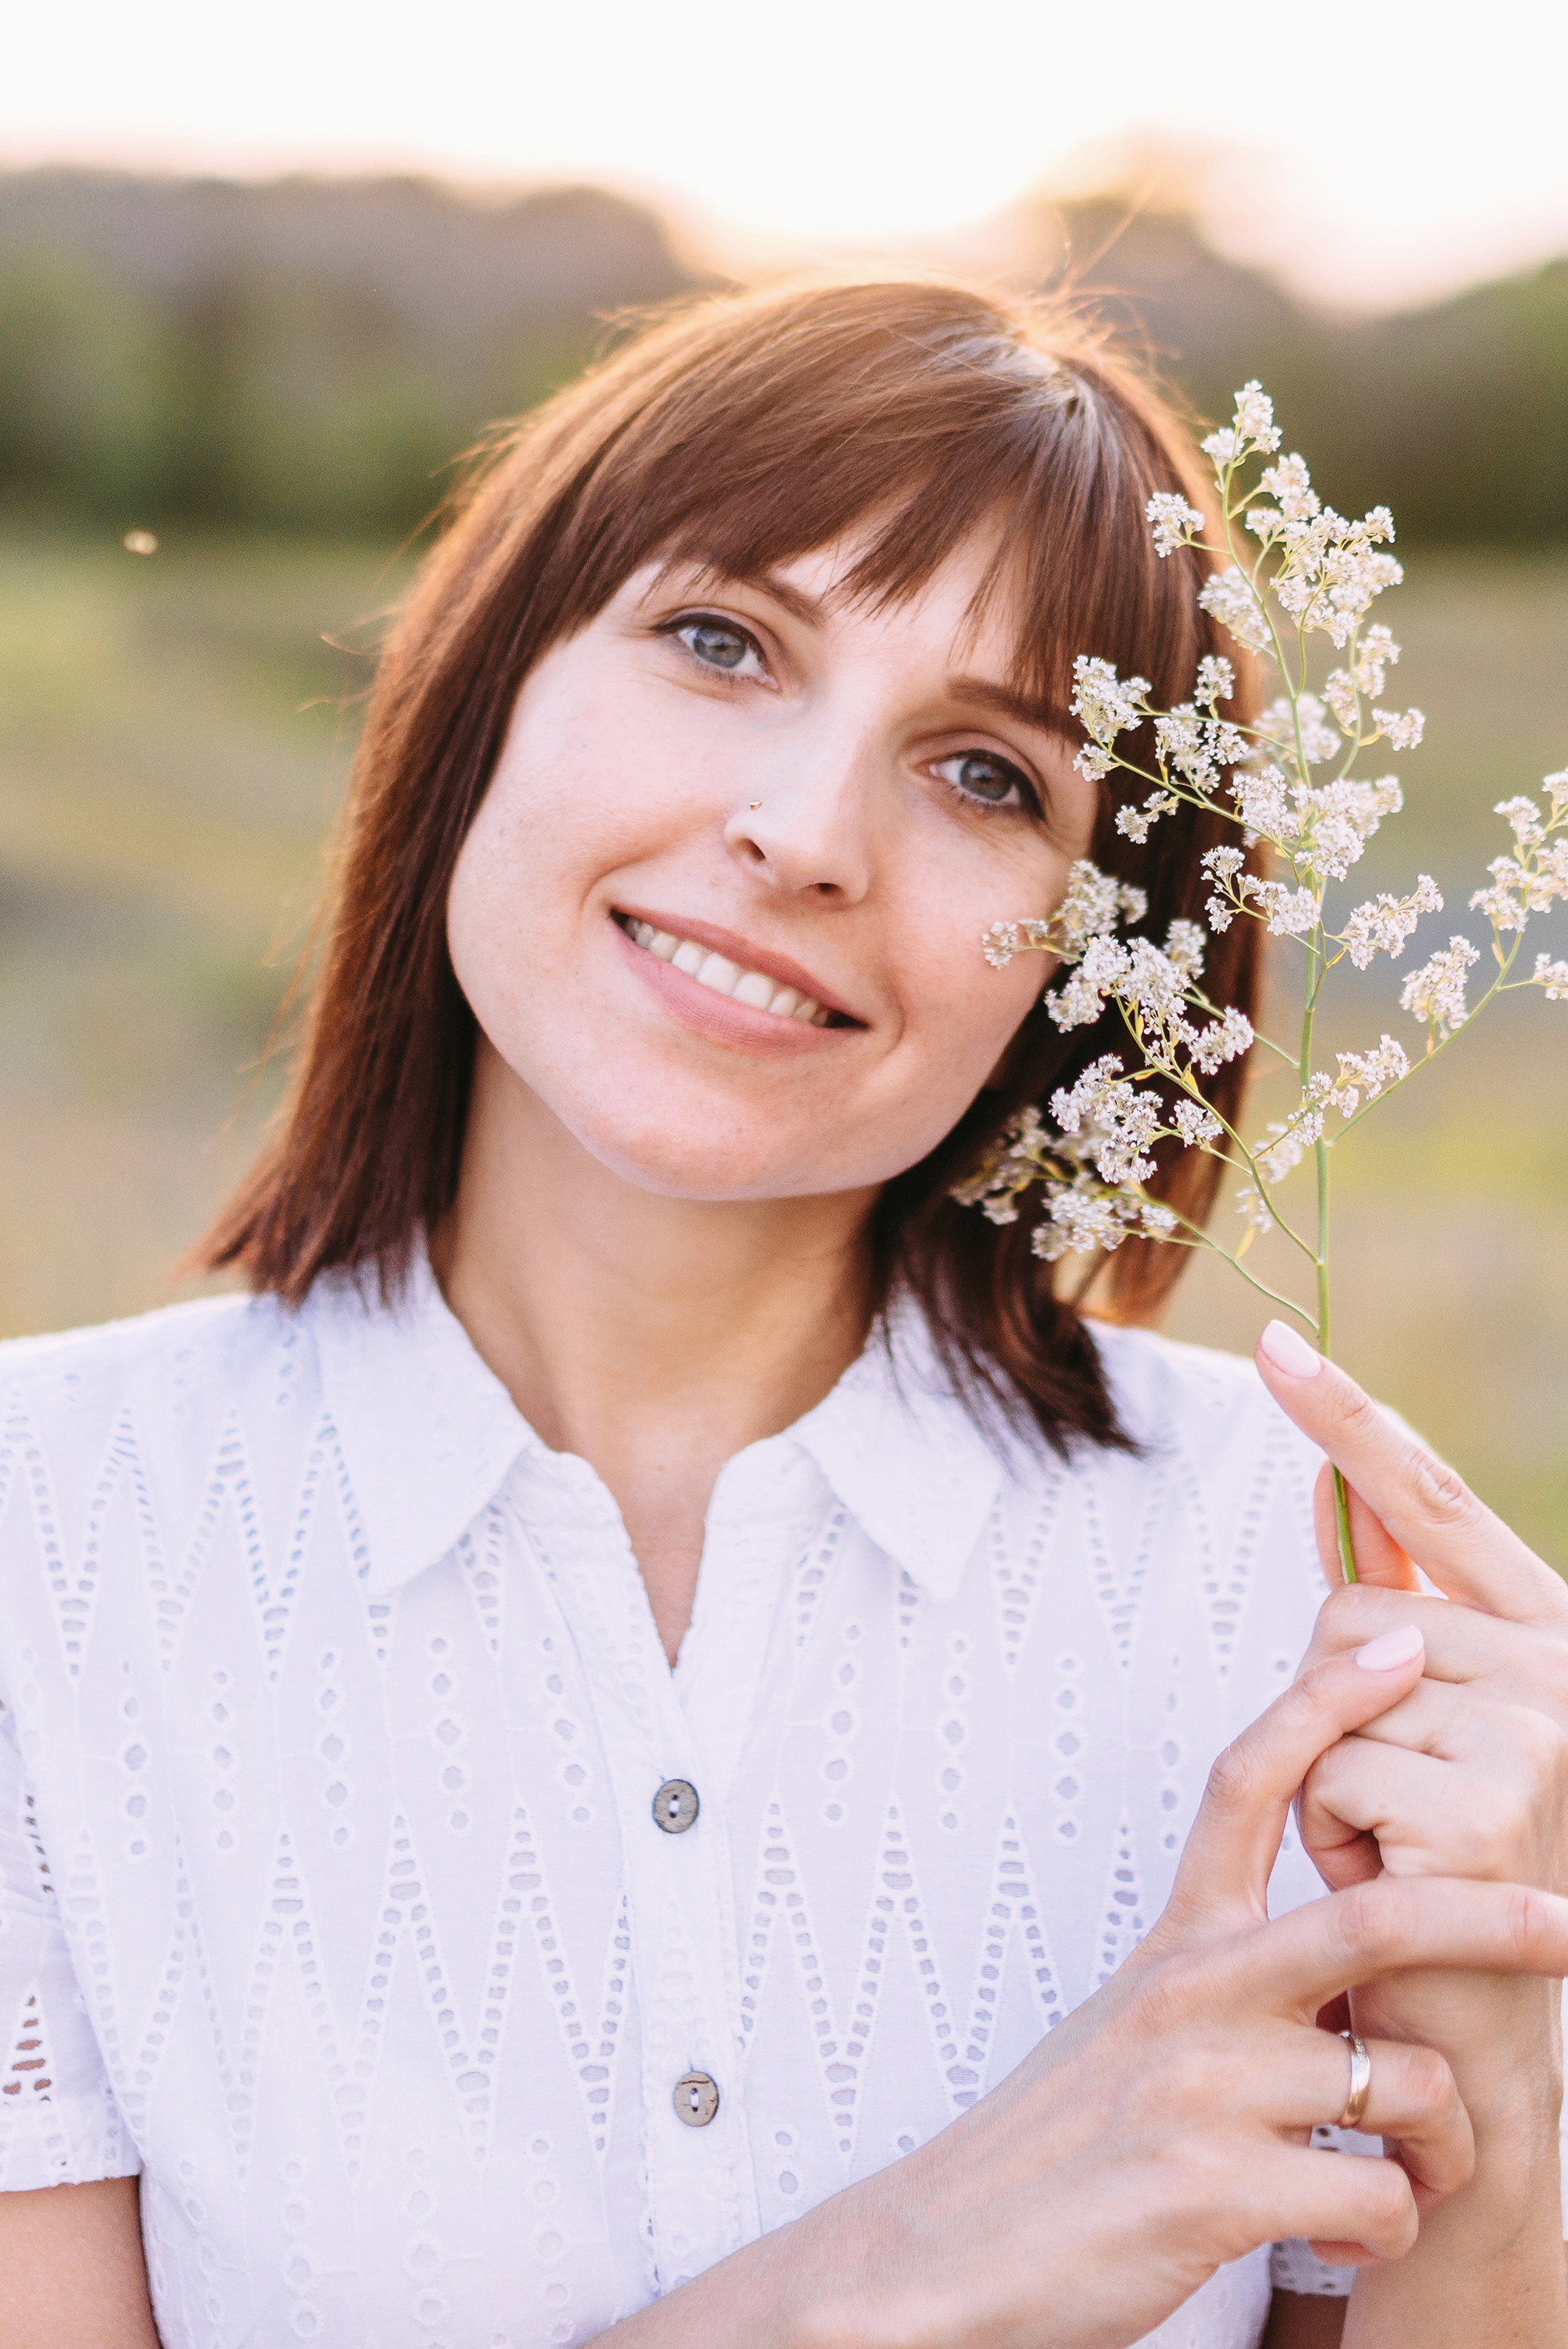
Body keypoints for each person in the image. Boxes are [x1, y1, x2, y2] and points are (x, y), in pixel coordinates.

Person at [0, 277, 1564, 2349]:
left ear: (1091, 964)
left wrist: (1511, 2106)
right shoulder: (45, 1541)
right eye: (723, 640)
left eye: (989, 773)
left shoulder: (1306, 1594)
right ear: (489, 684)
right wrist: (921, 2262)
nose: (805, 835)